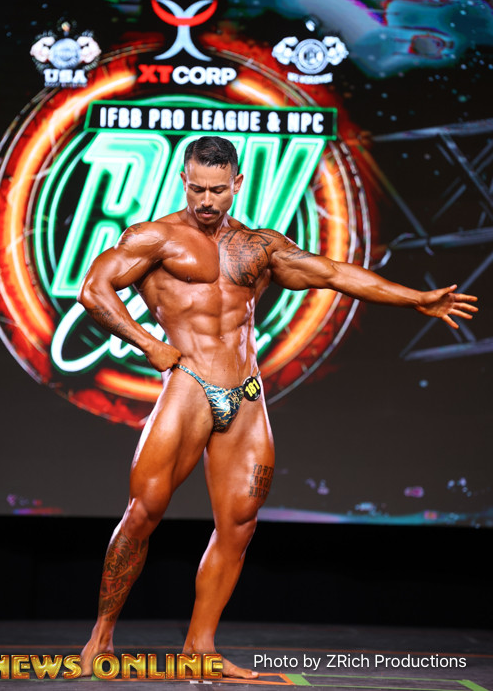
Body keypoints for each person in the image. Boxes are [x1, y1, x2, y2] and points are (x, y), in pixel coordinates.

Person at [77, 135, 477, 679]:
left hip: (246, 393)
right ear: (183, 181)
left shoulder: (258, 247)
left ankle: (200, 648)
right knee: (144, 512)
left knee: (239, 524)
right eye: (197, 188)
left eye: (218, 190)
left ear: (237, 184)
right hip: (188, 384)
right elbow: (94, 290)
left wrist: (416, 298)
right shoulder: (155, 238)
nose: (207, 200)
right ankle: (101, 637)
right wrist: (148, 344)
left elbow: (333, 273)